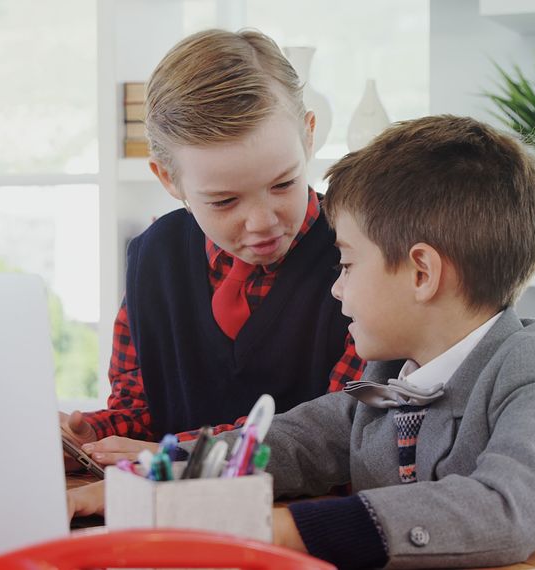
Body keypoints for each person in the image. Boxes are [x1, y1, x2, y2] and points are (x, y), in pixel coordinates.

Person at [68, 116, 535, 568]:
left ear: (421, 273)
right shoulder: (387, 382)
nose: (336, 286)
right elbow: (288, 442)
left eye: (347, 263)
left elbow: (500, 510)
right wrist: (146, 481)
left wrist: (272, 526)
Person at [61, 28, 364, 467]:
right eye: (224, 201)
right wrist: (92, 438)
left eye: (283, 184)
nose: (262, 222)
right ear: (168, 179)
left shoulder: (362, 257)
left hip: (298, 522)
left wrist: (180, 455)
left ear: (309, 136)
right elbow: (139, 407)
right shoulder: (153, 258)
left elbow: (343, 427)